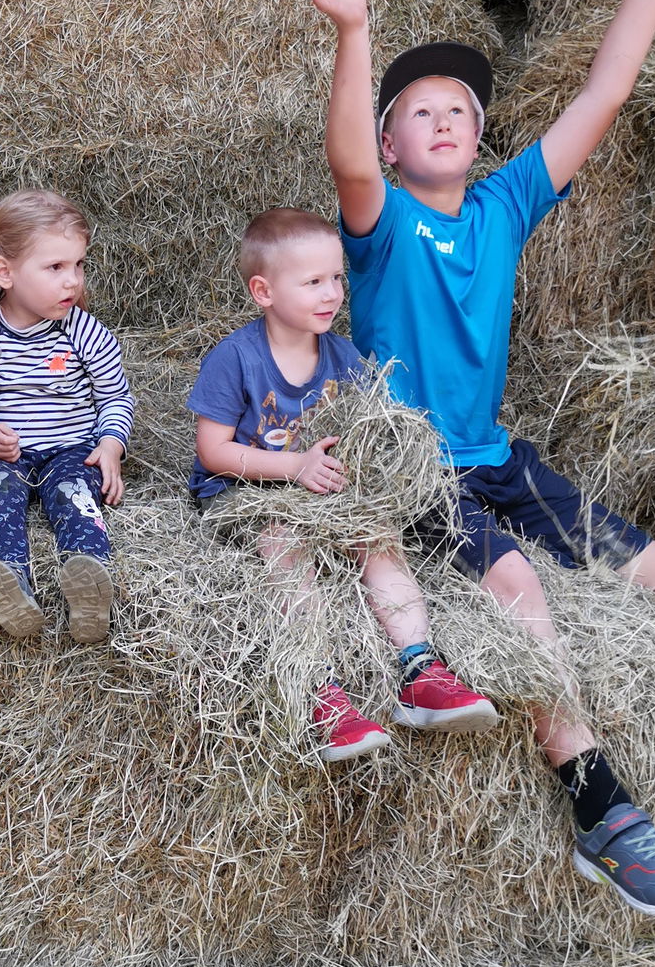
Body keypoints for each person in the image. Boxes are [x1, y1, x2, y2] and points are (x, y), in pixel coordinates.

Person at [280, 0, 655, 912]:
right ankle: (598, 805)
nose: (442, 118)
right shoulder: (380, 227)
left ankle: (543, 655)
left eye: (458, 108)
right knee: (521, 590)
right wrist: (356, 34)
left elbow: (606, 90)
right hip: (415, 468)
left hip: (495, 456)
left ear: (479, 138)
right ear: (394, 143)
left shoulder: (502, 208)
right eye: (417, 111)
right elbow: (346, 159)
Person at [190, 206, 499, 761]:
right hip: (250, 492)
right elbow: (213, 453)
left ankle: (419, 668)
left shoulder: (343, 355)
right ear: (263, 291)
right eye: (313, 282)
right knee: (284, 541)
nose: (331, 292)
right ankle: (322, 693)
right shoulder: (234, 358)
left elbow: (364, 427)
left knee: (378, 534)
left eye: (336, 278)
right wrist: (294, 468)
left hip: (322, 488)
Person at [0, 191, 131, 644]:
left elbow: (116, 396)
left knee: (75, 493)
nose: (72, 281)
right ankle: (10, 586)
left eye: (78, 265)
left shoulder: (83, 331)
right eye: (55, 268)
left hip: (70, 450)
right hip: (2, 455)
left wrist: (111, 444)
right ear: (5, 272)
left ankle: (90, 582)